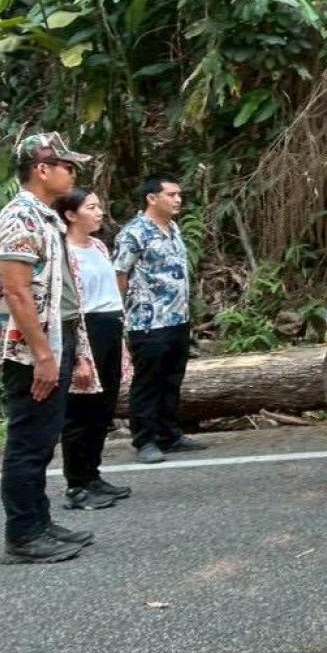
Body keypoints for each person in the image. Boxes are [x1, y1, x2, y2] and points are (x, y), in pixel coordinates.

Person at [0, 133, 98, 564]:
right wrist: (43, 355)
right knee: (29, 442)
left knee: (44, 439)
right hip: (31, 348)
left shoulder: (46, 218)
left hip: (57, 339)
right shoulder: (20, 217)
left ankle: (40, 523)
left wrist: (74, 349)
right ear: (42, 170)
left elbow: (61, 291)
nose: (73, 173)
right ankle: (23, 536)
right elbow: (16, 292)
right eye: (67, 166)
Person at [114, 172, 203, 464]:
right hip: (147, 321)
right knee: (148, 382)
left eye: (179, 194)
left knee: (171, 379)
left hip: (177, 318)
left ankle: (169, 434)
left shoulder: (173, 228)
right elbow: (120, 275)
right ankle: (145, 439)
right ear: (152, 198)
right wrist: (121, 314)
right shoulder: (134, 233)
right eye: (171, 195)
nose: (178, 199)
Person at [57, 188, 134, 512]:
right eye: (91, 207)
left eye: (99, 206)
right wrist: (79, 354)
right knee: (80, 410)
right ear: (70, 215)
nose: (99, 212)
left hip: (109, 327)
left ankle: (93, 475)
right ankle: (76, 484)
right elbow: (70, 305)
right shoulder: (64, 252)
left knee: (103, 408)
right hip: (84, 330)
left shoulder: (99, 246)